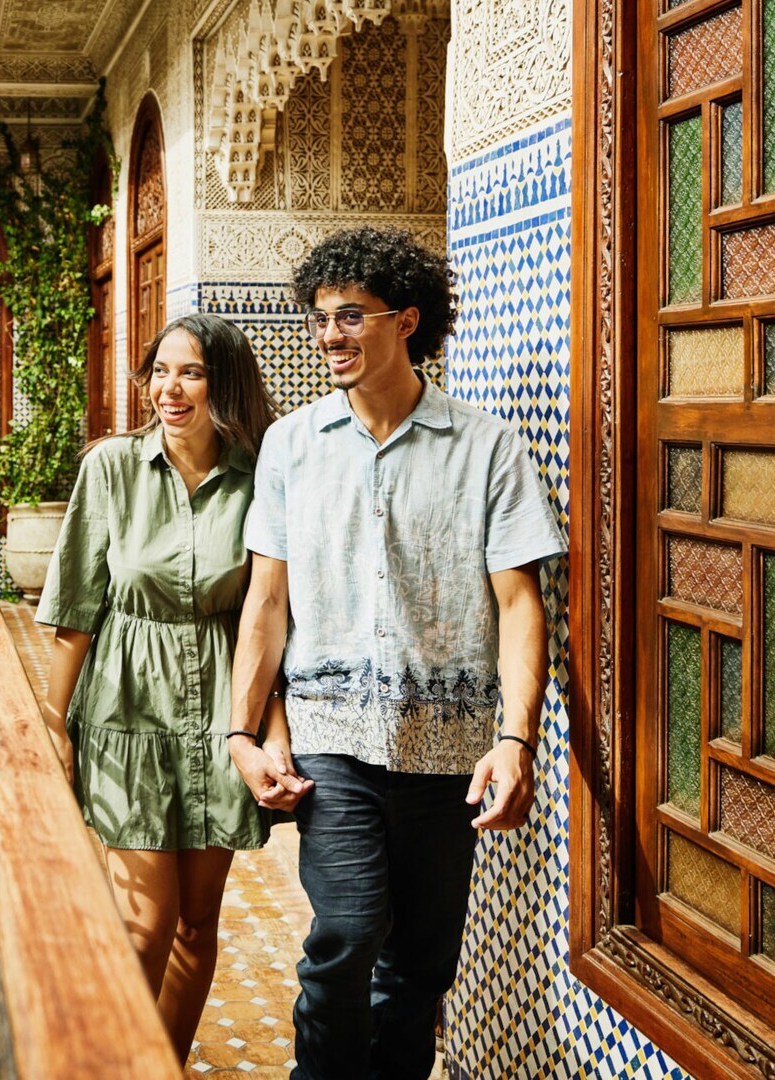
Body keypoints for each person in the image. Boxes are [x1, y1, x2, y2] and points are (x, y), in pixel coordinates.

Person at [225, 227, 566, 1079]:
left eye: (349, 316)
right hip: (330, 742)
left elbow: (521, 606)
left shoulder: (486, 448)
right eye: (319, 318)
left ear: (407, 320)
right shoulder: (292, 447)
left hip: (447, 754)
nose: (329, 335)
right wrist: (242, 731)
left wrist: (516, 740)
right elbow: (267, 599)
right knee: (343, 938)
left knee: (421, 966)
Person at [35, 312, 283, 1062]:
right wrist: (53, 718)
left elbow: (268, 611)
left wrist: (269, 723)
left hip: (222, 706)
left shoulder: (259, 474)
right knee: (146, 923)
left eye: (192, 373)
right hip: (125, 701)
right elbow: (76, 607)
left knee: (197, 924)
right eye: (160, 371)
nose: (169, 390)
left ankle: (163, 1063)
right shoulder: (110, 468)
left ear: (225, 385)